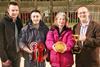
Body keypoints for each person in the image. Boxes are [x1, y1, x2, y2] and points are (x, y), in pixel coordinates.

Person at [0, 1, 23, 67]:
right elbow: (0, 42)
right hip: (7, 55)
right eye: (12, 10)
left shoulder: (19, 21)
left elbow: (21, 36)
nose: (15, 12)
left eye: (16, 10)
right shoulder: (2, 23)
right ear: (8, 10)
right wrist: (4, 58)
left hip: (17, 54)